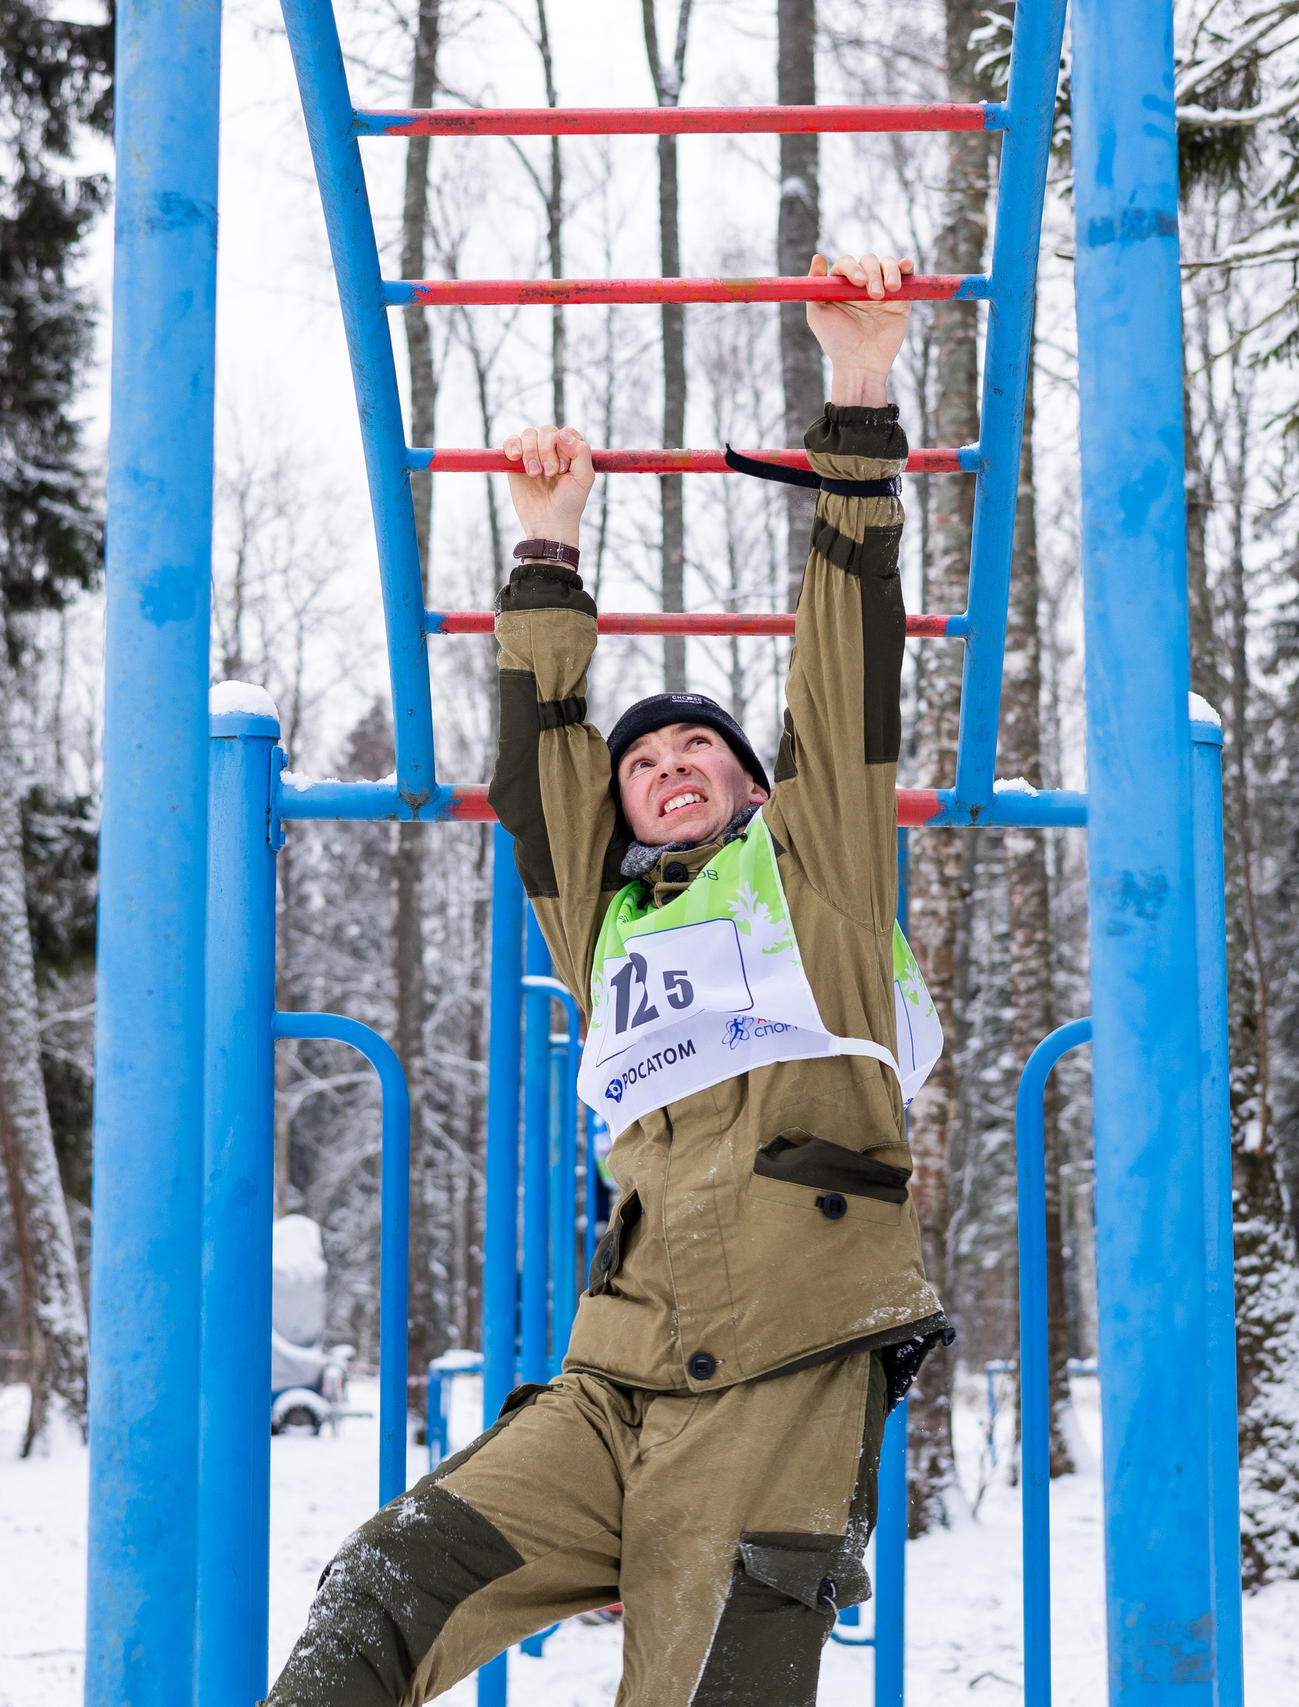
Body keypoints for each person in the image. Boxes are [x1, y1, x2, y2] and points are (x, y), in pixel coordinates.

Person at [266, 251, 947, 1707]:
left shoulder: (812, 872)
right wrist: (547, 545)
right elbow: (539, 769)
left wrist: (861, 394)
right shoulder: (612, 929)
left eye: (700, 747)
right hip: (617, 1368)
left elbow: (846, 669)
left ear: (760, 787)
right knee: (394, 1574)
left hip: (785, 1353)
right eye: (643, 761)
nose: (666, 765)